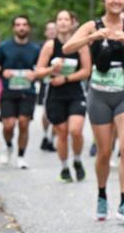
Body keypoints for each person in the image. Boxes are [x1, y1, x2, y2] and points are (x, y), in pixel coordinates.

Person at [62, 0, 124, 223]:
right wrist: (93, 36)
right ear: (104, 0)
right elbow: (67, 46)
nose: (116, 0)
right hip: (99, 95)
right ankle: (102, 195)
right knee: (104, 152)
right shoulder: (93, 25)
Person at [36, 10, 90, 182]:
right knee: (62, 132)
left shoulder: (80, 45)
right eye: (59, 19)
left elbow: (86, 71)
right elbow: (39, 71)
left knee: (75, 130)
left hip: (75, 92)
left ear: (73, 23)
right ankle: (65, 167)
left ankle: (77, 160)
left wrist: (65, 78)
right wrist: (53, 70)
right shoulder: (50, 46)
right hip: (55, 95)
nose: (63, 22)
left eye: (66, 19)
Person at [0, 16, 41, 168]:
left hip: (28, 91)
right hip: (8, 91)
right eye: (18, 25)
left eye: (24, 25)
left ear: (29, 28)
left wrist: (35, 74)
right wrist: (2, 71)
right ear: (13, 28)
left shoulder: (35, 49)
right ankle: (8, 147)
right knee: (8, 125)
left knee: (24, 123)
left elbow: (40, 68)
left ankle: (21, 156)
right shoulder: (5, 46)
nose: (21, 27)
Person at [38, 20, 58, 152]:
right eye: (49, 29)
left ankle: (52, 139)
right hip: (46, 83)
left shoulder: (64, 45)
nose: (51, 31)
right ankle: (45, 135)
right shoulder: (42, 47)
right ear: (45, 32)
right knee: (47, 112)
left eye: (53, 28)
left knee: (59, 114)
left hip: (62, 83)